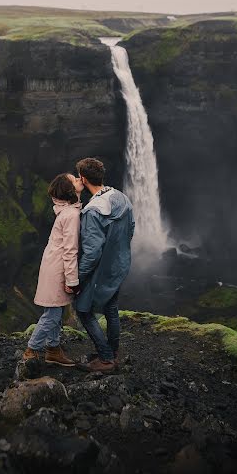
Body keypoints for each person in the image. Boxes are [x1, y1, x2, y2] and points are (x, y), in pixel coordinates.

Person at [75, 157, 135, 373]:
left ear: (82, 179)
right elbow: (131, 227)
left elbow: (91, 254)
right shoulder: (120, 197)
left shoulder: (92, 211)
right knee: (110, 307)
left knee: (83, 310)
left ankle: (106, 358)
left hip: (102, 271)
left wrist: (77, 279)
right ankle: (114, 350)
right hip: (119, 264)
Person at [23, 172, 84, 366]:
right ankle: (31, 350)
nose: (79, 179)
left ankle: (53, 350)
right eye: (75, 179)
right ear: (70, 190)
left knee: (56, 311)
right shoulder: (72, 215)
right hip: (58, 268)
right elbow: (70, 250)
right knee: (52, 314)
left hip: (52, 265)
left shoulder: (66, 211)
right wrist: (72, 281)